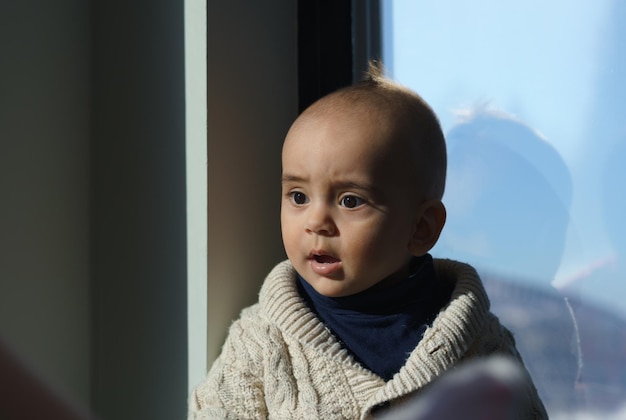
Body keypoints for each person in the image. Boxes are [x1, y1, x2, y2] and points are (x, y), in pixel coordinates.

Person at [188, 64, 547, 419]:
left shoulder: (481, 345)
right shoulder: (260, 341)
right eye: (298, 197)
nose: (316, 222)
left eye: (350, 201)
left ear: (421, 227)